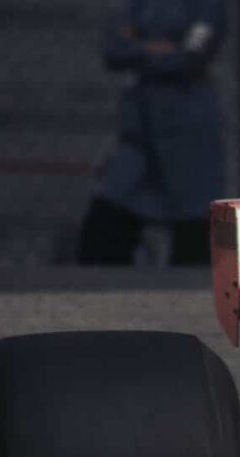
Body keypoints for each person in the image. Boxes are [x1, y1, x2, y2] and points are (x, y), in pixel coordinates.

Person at [77, 0, 227, 266]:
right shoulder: (140, 5)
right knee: (105, 222)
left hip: (188, 128)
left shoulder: (208, 6)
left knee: (194, 226)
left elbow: (191, 56)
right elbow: (114, 49)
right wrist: (156, 49)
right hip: (141, 129)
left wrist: (141, 49)